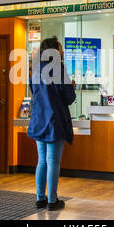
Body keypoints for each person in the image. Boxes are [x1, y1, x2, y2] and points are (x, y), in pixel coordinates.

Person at [27, 36, 76, 211]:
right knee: (53, 161)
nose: (62, 51)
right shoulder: (59, 69)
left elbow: (34, 92)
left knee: (42, 160)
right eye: (60, 48)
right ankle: (52, 201)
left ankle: (41, 198)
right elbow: (69, 97)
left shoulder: (36, 70)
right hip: (55, 121)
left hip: (39, 120)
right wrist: (72, 86)